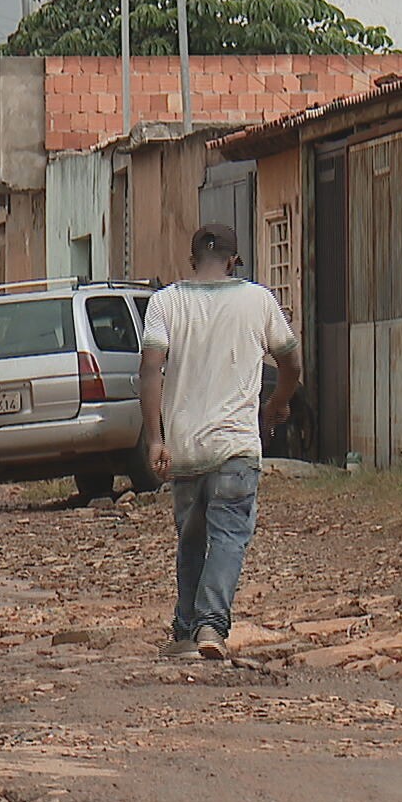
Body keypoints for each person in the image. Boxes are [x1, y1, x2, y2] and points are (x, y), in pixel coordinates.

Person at [138, 224, 303, 661]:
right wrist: (277, 403)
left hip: (185, 448)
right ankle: (210, 625)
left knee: (191, 540)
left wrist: (155, 439)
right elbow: (291, 361)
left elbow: (150, 369)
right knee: (229, 536)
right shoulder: (258, 300)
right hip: (236, 447)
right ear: (233, 261)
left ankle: (184, 631)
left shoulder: (165, 302)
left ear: (192, 260)